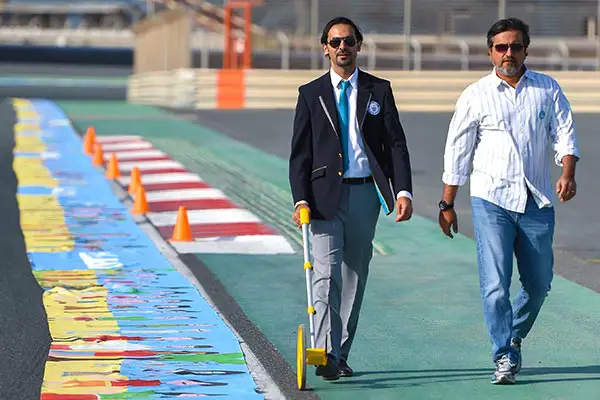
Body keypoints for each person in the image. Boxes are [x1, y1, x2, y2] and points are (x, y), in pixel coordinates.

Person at [438, 17, 580, 385]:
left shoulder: (546, 89)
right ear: (490, 52)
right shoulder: (475, 95)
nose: (508, 54)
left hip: (536, 201)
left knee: (538, 285)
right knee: (496, 284)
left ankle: (513, 334)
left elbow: (564, 132)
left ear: (526, 50)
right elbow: (458, 150)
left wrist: (567, 171)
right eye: (501, 47)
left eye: (515, 46)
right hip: (492, 200)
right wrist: (446, 203)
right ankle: (503, 354)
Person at [289, 16, 413, 380]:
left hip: (365, 196)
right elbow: (300, 155)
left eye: (348, 41)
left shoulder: (379, 89)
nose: (342, 47)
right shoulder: (310, 95)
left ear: (359, 45)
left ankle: (340, 351)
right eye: (335, 42)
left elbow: (396, 145)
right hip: (324, 198)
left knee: (354, 275)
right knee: (325, 276)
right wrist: (300, 200)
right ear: (325, 48)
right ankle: (325, 352)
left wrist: (402, 189)